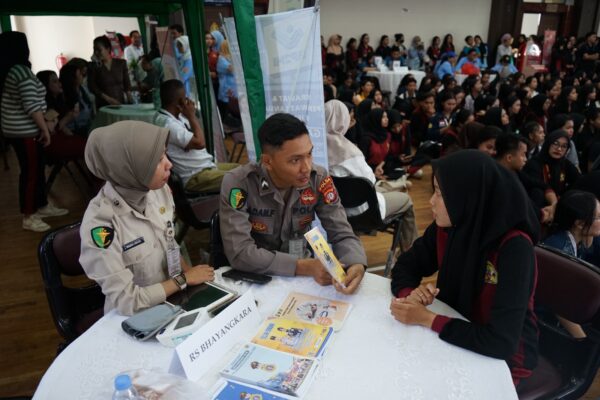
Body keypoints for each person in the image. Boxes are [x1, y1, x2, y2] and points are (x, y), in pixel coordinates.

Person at [389, 149, 540, 387]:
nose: (431, 201)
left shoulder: (514, 248)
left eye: (439, 193)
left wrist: (427, 318)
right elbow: (405, 267)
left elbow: (501, 342)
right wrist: (411, 297)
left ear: (467, 197)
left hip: (504, 361)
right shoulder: (451, 226)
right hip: (456, 332)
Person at [219, 113, 367, 294]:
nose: (306, 167)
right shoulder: (239, 183)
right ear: (268, 161)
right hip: (257, 280)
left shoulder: (318, 178)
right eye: (295, 160)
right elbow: (240, 253)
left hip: (304, 279)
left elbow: (342, 233)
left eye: (309, 154)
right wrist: (304, 266)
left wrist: (356, 262)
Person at [79, 120, 215, 315]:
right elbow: (128, 301)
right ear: (130, 169)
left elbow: (168, 241)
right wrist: (184, 280)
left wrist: (189, 275)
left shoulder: (158, 191)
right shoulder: (101, 226)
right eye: (158, 160)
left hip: (174, 301)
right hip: (136, 317)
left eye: (165, 154)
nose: (169, 164)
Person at [325, 100, 417, 248]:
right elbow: (369, 180)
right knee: (406, 200)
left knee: (381, 190)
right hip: (363, 210)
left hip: (335, 211)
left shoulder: (315, 148)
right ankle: (409, 253)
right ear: (343, 120)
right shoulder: (349, 151)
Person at [0, 31, 68, 232]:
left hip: (24, 131)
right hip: (26, 133)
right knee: (30, 172)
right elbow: (31, 105)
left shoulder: (12, 70)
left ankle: (42, 205)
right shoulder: (20, 71)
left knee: (36, 169)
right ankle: (28, 216)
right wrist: (44, 129)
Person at [154, 79, 238, 192]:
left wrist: (190, 116)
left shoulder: (175, 117)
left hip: (205, 166)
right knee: (243, 178)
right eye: (185, 98)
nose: (188, 100)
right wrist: (192, 116)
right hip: (195, 176)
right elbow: (200, 143)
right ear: (180, 102)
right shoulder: (168, 124)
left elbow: (198, 134)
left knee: (246, 170)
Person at [88, 35, 132, 107]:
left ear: (108, 49)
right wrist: (108, 99)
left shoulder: (121, 63)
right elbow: (92, 87)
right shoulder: (93, 66)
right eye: (94, 50)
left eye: (99, 50)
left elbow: (127, 85)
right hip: (103, 105)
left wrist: (131, 102)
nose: (96, 53)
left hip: (120, 104)